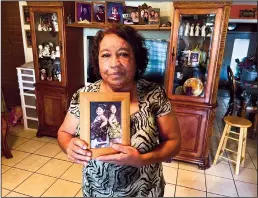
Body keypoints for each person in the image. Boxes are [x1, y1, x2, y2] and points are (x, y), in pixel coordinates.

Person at [57, 24, 181, 197]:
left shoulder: (155, 94)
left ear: (136, 58)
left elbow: (174, 142)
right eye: (106, 55)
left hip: (145, 192)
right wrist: (68, 145)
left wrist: (142, 160)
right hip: (96, 192)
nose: (114, 63)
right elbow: (64, 132)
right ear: (97, 61)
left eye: (123, 54)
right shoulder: (83, 96)